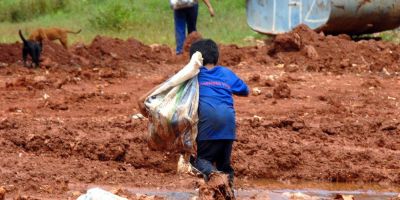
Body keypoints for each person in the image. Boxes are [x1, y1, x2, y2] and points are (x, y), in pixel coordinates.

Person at [189, 39, 249, 199]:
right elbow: (244, 90)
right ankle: (228, 194)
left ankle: (216, 177)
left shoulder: (193, 75)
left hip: (208, 125)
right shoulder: (226, 73)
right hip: (228, 127)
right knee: (225, 165)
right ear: (216, 57)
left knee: (200, 160)